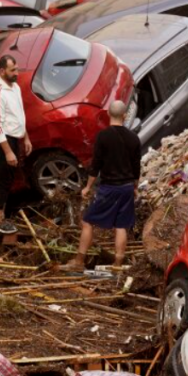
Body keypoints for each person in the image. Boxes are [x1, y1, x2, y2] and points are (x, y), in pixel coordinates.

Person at [61, 101, 141, 271]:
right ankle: (117, 264)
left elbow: (95, 165)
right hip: (126, 188)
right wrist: (135, 187)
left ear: (108, 114)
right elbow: (136, 168)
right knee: (121, 226)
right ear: (125, 115)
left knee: (87, 221)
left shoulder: (103, 137)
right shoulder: (134, 138)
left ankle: (79, 261)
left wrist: (88, 187)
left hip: (109, 188)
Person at [0, 55, 32, 234]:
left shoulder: (15, 87)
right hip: (0, 141)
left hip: (13, 138)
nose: (16, 73)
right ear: (2, 71)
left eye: (17, 69)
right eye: (13, 70)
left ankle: (2, 216)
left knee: (10, 178)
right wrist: (8, 152)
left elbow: (19, 115)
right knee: (3, 180)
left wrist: (25, 137)